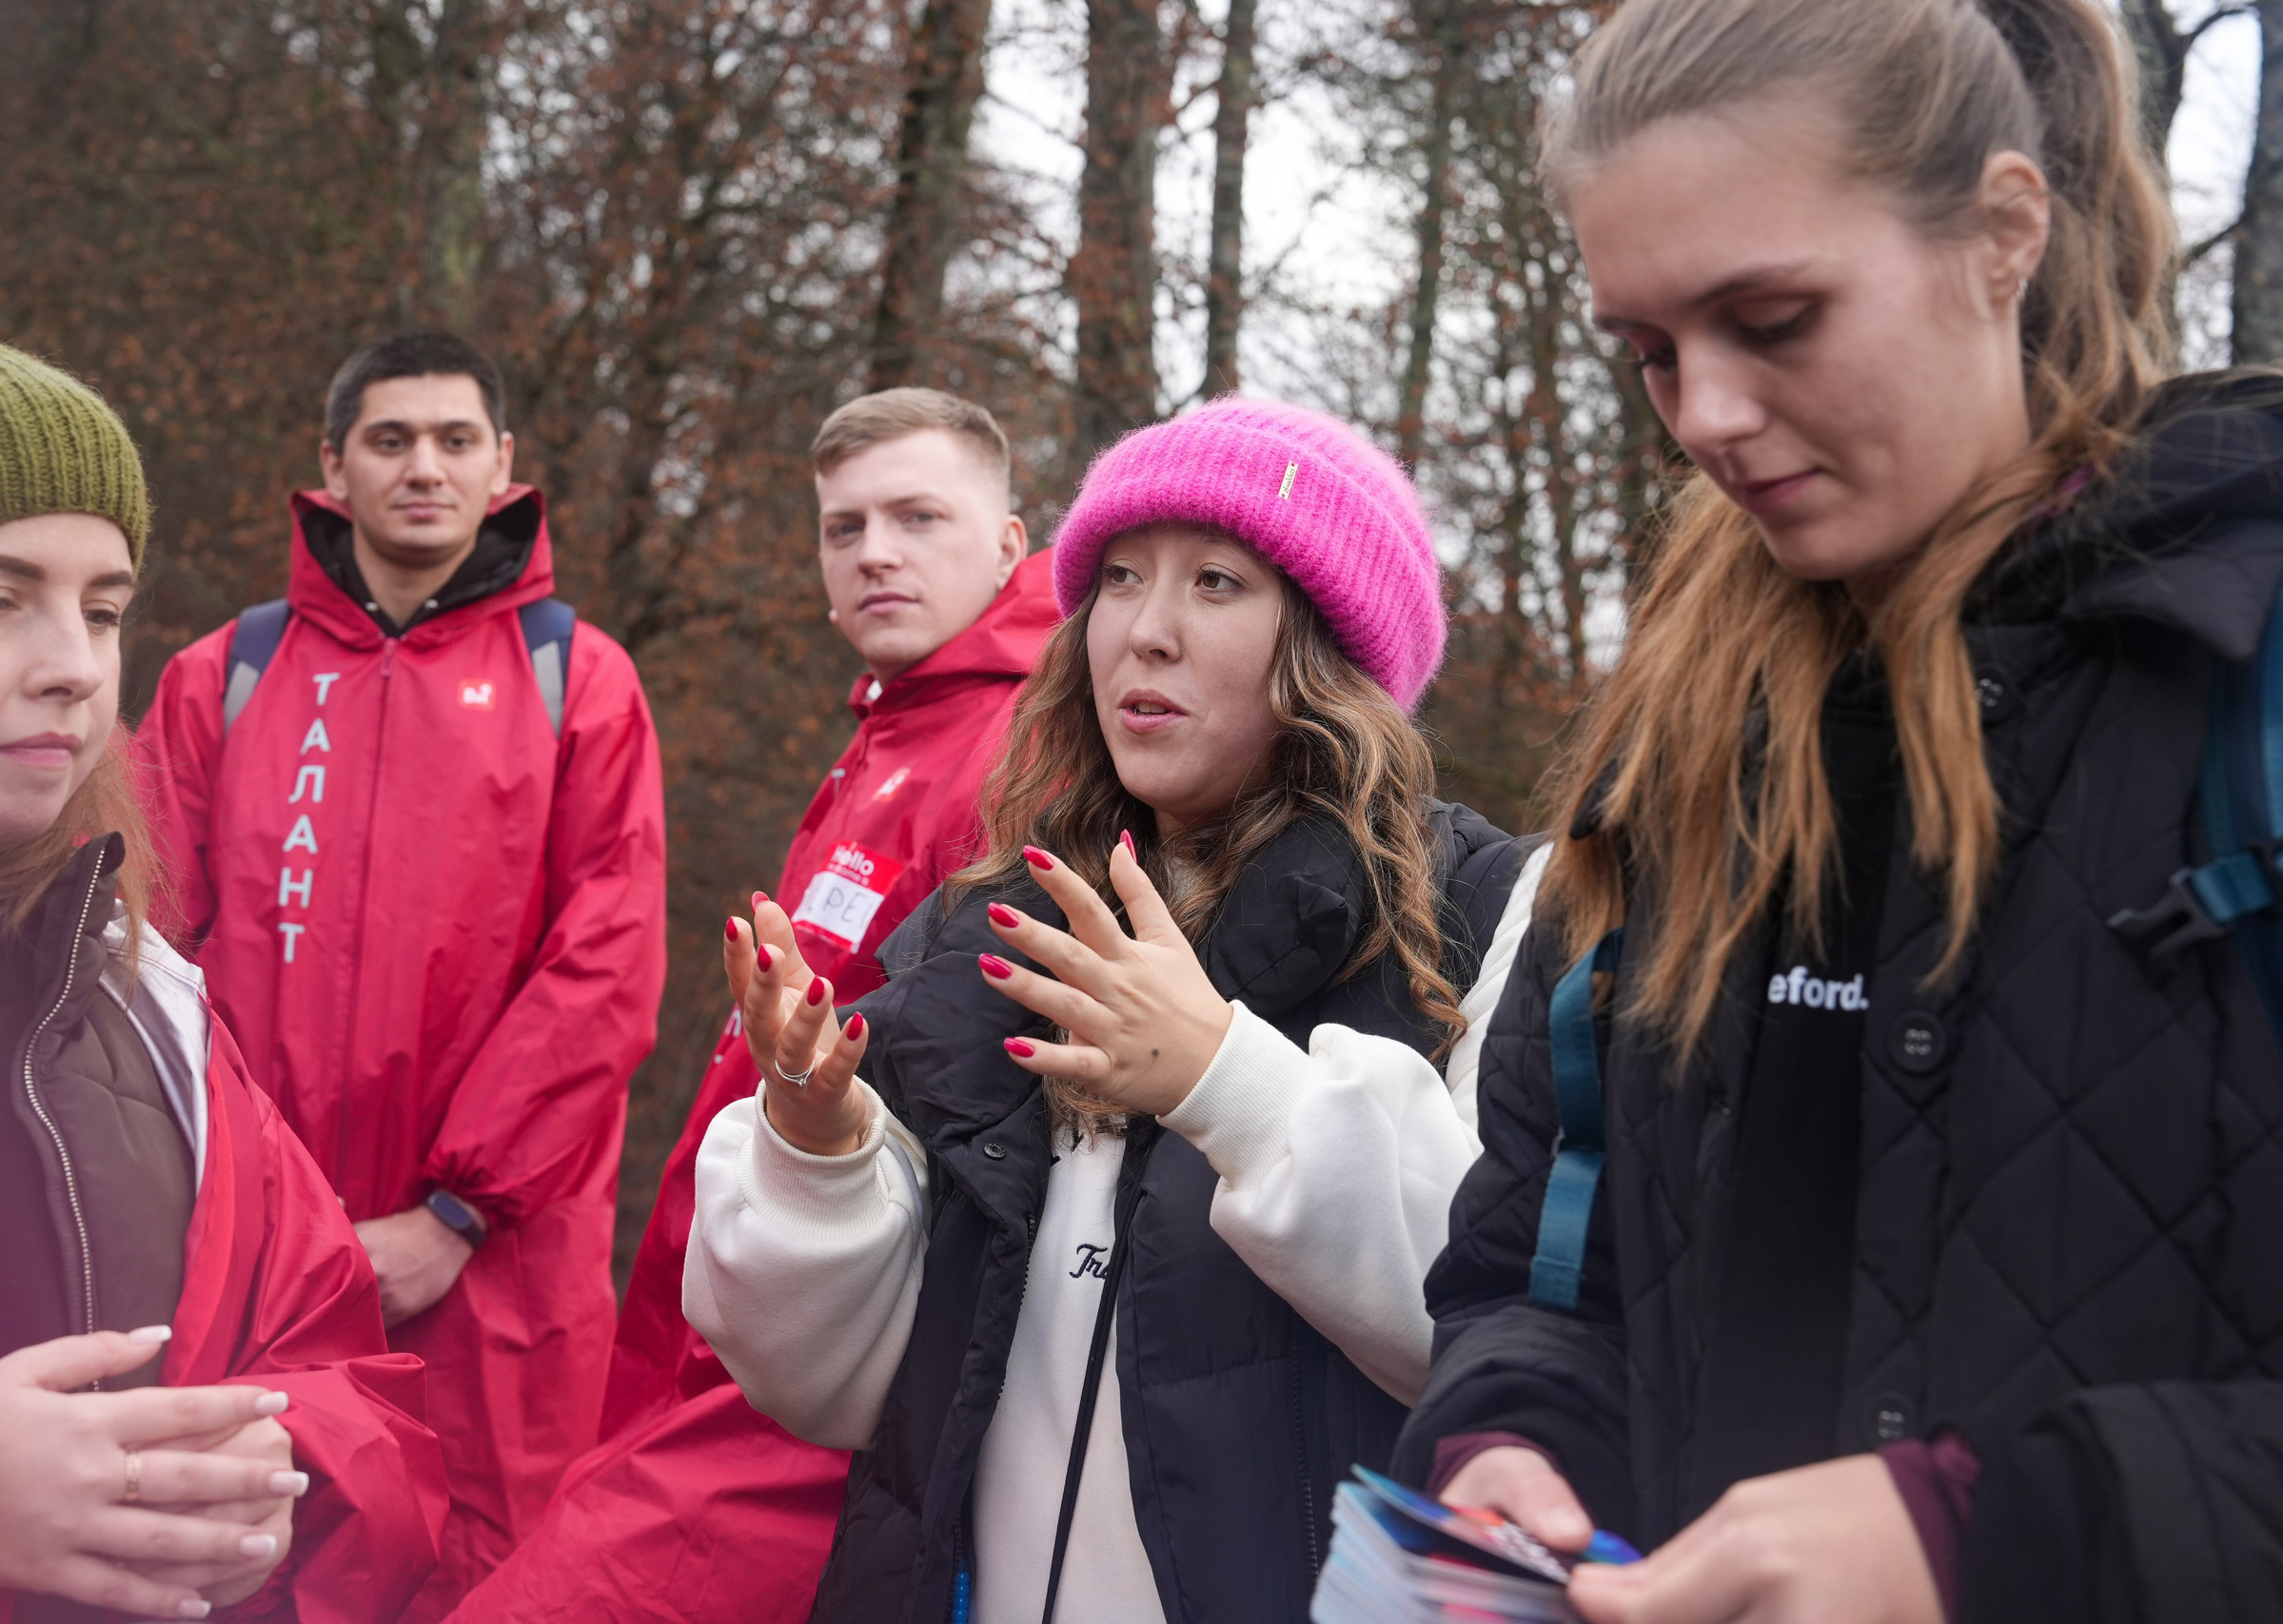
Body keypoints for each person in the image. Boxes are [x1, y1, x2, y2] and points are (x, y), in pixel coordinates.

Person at [1163, 3, 2283, 1621]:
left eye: (1774, 319)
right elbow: (1547, 1267)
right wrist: (1517, 1438)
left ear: (2004, 232)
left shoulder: (2243, 678)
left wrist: (2002, 1531)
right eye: (1651, 353)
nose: (1704, 417)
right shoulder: (1680, 752)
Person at [687, 398, 1532, 1621]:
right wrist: (816, 1149)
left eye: (1219, 584)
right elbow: (835, 1390)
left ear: (1332, 647)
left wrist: (1223, 1082)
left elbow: (1493, 1324)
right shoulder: (992, 921)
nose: (1147, 631)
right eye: (1121, 579)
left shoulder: (1477, 914)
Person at [0, 272, 446, 1624]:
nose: (74, 663)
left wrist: (283, 1476)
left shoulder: (152, 1008)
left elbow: (353, 1376)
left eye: (104, 606)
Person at [448, 387, 1059, 1624]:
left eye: (916, 516)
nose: (875, 550)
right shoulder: (897, 734)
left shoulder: (1021, 752)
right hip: (725, 1335)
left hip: (819, 1403)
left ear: (1008, 543)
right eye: (845, 527)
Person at [136, 331, 668, 1618]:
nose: (421, 466)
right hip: (254, 1249)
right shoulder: (225, 674)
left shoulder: (576, 679)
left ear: (502, 467)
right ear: (333, 465)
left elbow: (605, 966)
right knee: (241, 1558)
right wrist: (249, 1206)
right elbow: (141, 956)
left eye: (452, 439)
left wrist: (456, 1211)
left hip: (488, 1265)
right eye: (389, 439)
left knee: (485, 1576)